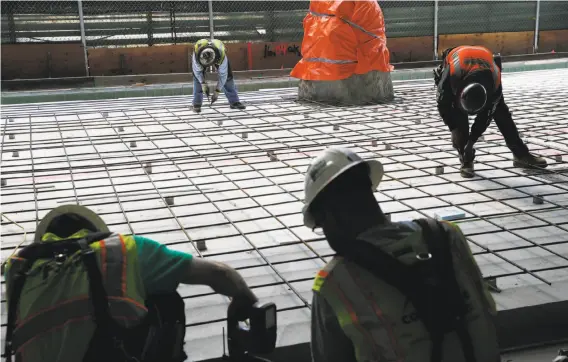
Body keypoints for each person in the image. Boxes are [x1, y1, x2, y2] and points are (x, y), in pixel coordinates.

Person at [304, 147, 501, 362]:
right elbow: (486, 314)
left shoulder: (335, 284)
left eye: (320, 226)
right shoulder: (446, 235)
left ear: (330, 217)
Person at [3, 204, 258, 362]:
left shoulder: (19, 271)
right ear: (95, 234)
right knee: (165, 300)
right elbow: (220, 274)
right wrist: (244, 300)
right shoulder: (121, 251)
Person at [434, 45, 547, 178]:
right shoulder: (451, 78)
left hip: (485, 65)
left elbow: (485, 117)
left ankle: (521, 155)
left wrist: (471, 142)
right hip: (458, 60)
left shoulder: (494, 85)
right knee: (459, 123)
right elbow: (443, 106)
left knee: (501, 113)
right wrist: (454, 128)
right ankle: (465, 159)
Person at [192, 38, 246, 113]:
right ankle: (197, 103)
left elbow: (223, 76)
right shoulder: (197, 56)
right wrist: (203, 83)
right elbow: (197, 73)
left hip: (218, 54)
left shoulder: (221, 55)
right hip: (201, 56)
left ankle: (234, 102)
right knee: (197, 78)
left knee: (228, 77)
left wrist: (217, 91)